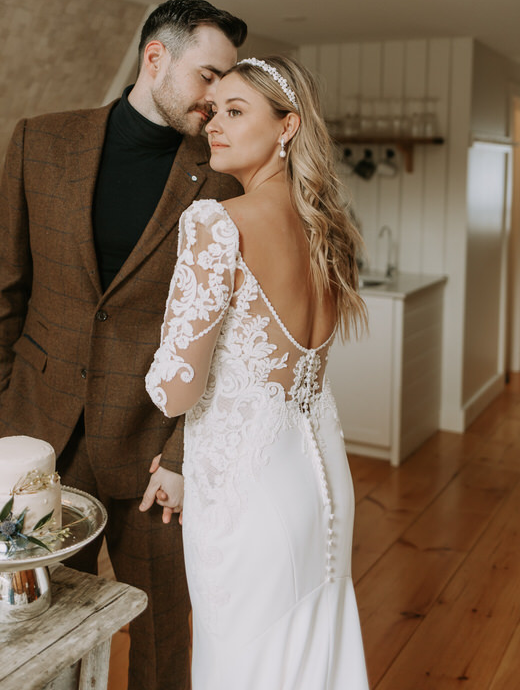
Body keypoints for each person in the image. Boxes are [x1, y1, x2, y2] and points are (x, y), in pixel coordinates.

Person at [0, 0, 247, 690]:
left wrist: (183, 453)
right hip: (43, 433)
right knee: (34, 623)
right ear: (155, 57)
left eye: (228, 82)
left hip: (155, 448)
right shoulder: (40, 140)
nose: (217, 98)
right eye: (208, 76)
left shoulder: (222, 176)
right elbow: (3, 286)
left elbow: (220, 338)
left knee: (162, 630)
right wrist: (9, 406)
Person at [145, 56, 370, 690]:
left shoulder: (216, 223)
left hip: (248, 502)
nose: (214, 124)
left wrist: (161, 350)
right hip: (320, 484)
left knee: (241, 665)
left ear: (287, 126)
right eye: (214, 111)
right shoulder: (325, 229)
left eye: (237, 111)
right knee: (310, 658)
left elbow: (176, 388)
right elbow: (280, 379)